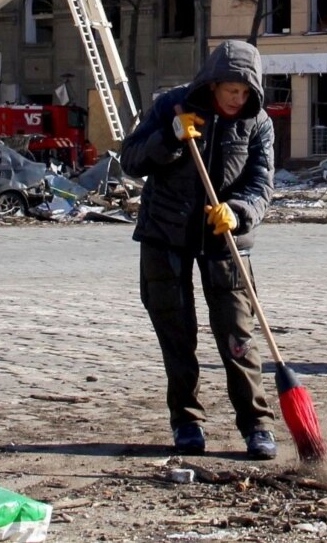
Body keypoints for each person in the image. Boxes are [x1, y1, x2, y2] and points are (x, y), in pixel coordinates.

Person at [120, 40, 278, 460]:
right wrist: (170, 137)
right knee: (177, 333)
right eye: (230, 90)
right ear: (212, 84)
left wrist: (240, 212)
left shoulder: (258, 123)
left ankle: (257, 424)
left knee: (238, 335)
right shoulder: (172, 106)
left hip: (224, 239)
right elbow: (130, 160)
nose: (236, 99)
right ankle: (187, 421)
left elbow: (262, 184)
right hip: (165, 235)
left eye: (245, 93)